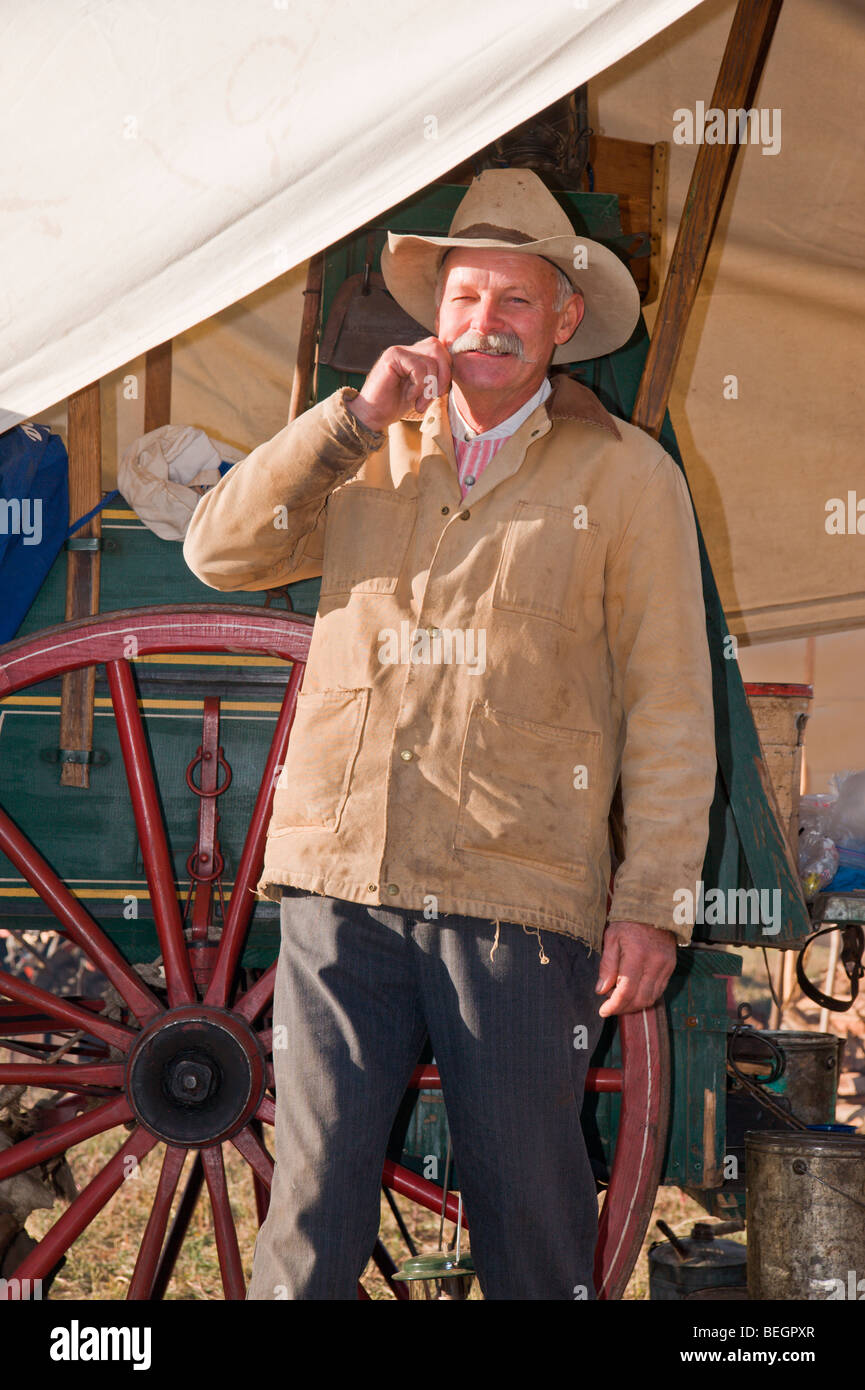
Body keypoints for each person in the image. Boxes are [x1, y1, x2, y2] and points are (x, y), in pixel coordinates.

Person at [183, 168, 717, 1300]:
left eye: (516, 302)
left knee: (530, 1219)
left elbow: (672, 702)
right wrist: (350, 414)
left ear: (564, 322)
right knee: (309, 1217)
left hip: (515, 899)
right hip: (344, 881)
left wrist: (652, 901)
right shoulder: (368, 445)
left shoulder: (628, 479)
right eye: (466, 297)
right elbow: (217, 552)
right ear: (436, 312)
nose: (487, 324)